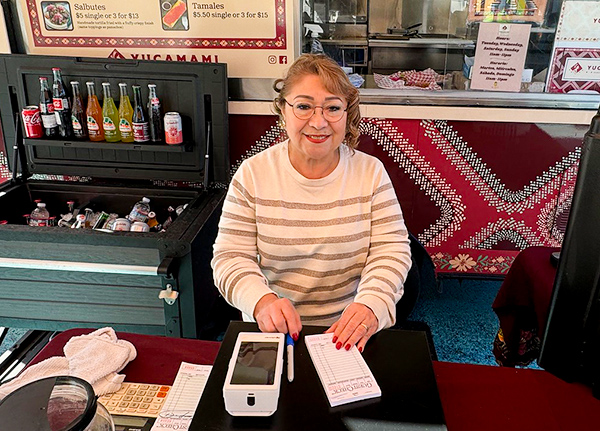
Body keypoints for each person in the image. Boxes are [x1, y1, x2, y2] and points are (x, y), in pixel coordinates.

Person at [211, 54, 411, 352]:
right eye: (304, 106)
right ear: (283, 110)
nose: (318, 122)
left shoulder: (370, 172)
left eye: (332, 108)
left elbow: (391, 250)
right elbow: (230, 257)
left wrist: (371, 305)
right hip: (272, 331)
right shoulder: (252, 174)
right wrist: (262, 302)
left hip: (348, 331)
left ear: (347, 113)